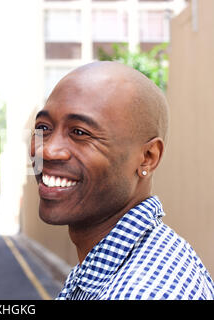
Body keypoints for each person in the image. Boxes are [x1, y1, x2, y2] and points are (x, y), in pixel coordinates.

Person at [30, 61, 214, 300]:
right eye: (43, 127)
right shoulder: (107, 266)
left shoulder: (145, 292)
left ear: (148, 157)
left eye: (80, 132)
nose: (47, 150)